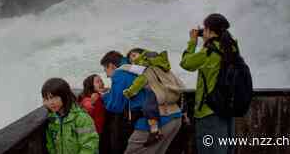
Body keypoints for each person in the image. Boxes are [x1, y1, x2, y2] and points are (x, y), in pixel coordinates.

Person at [100, 50, 182, 154]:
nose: (107, 76)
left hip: (156, 122)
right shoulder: (137, 68)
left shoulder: (120, 73)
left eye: (105, 70)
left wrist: (103, 97)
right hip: (175, 117)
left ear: (111, 66)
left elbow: (116, 106)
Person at [180, 13, 236, 154]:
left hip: (208, 111)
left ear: (210, 31)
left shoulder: (209, 51)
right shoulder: (233, 48)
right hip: (228, 107)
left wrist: (193, 41)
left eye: (204, 29)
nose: (202, 32)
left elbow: (186, 63)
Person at [119, 48, 185, 146]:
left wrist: (129, 92)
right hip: (174, 104)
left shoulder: (146, 69)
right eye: (130, 59)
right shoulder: (164, 67)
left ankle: (154, 131)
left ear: (143, 55)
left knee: (148, 107)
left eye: (134, 56)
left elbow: (139, 83)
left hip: (160, 102)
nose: (132, 60)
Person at [41, 77, 99, 154]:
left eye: (54, 97)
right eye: (47, 99)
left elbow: (90, 144)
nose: (51, 102)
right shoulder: (52, 119)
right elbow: (51, 144)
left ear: (64, 95)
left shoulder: (81, 118)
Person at [78, 74, 109, 154]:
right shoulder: (90, 98)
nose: (101, 83)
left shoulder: (99, 95)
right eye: (98, 82)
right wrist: (91, 102)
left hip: (98, 132)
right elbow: (87, 106)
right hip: (92, 135)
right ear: (91, 86)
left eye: (101, 81)